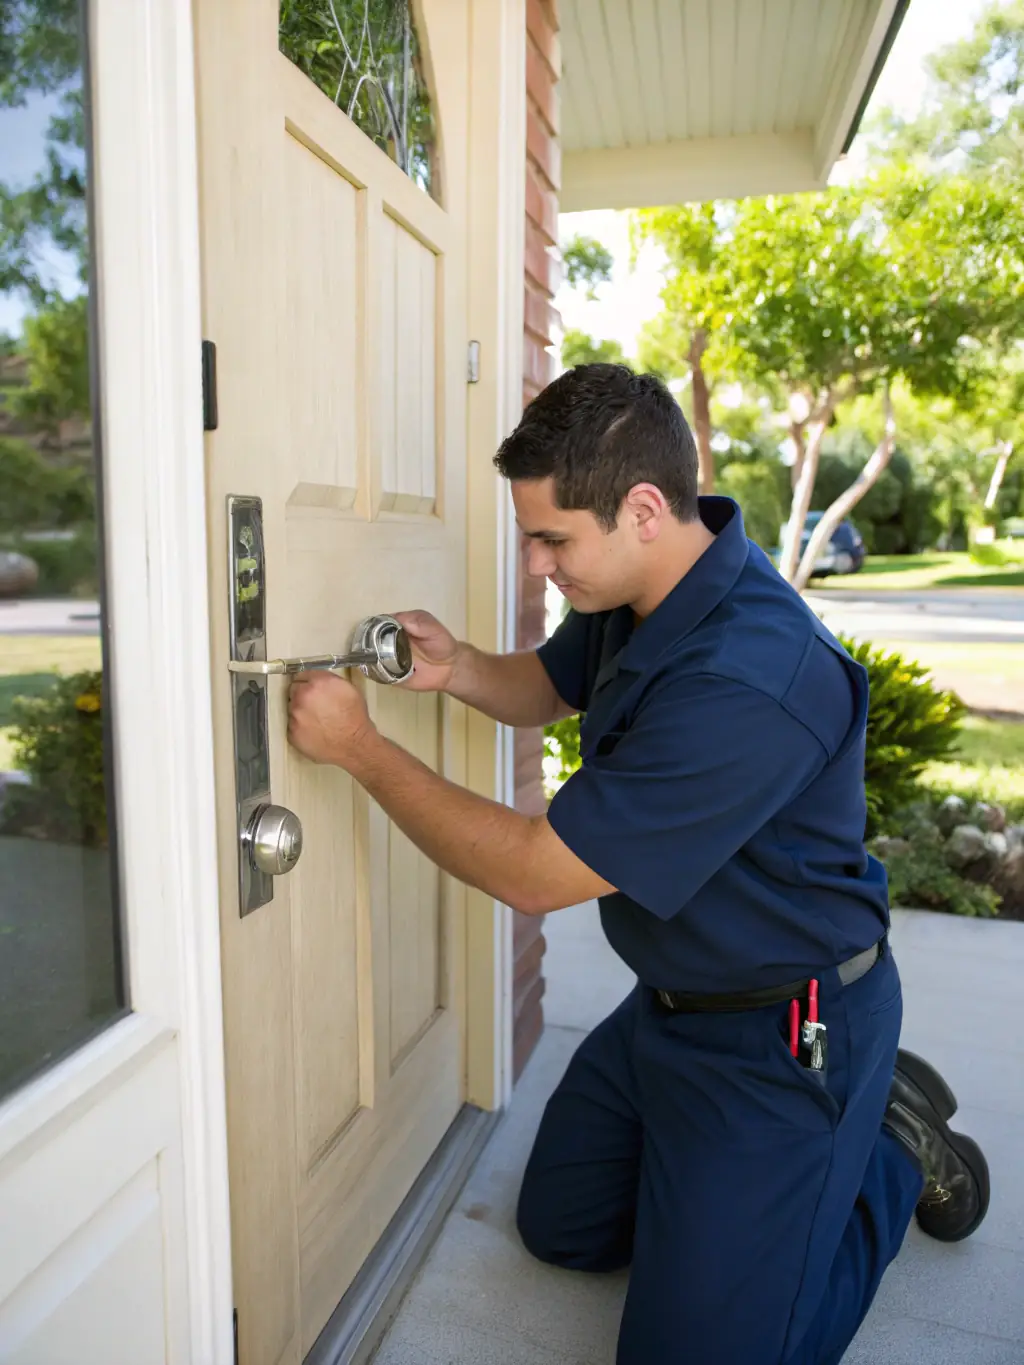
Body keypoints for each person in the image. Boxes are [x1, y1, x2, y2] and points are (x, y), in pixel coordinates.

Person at [286, 364, 990, 1365]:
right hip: (668, 1008)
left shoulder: (751, 679)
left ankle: (877, 1148)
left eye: (552, 539)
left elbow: (536, 871)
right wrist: (457, 670)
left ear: (645, 508)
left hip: (785, 1035)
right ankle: (734, 1197)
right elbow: (546, 685)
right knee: (563, 1229)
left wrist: (360, 750)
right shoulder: (639, 591)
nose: (536, 564)